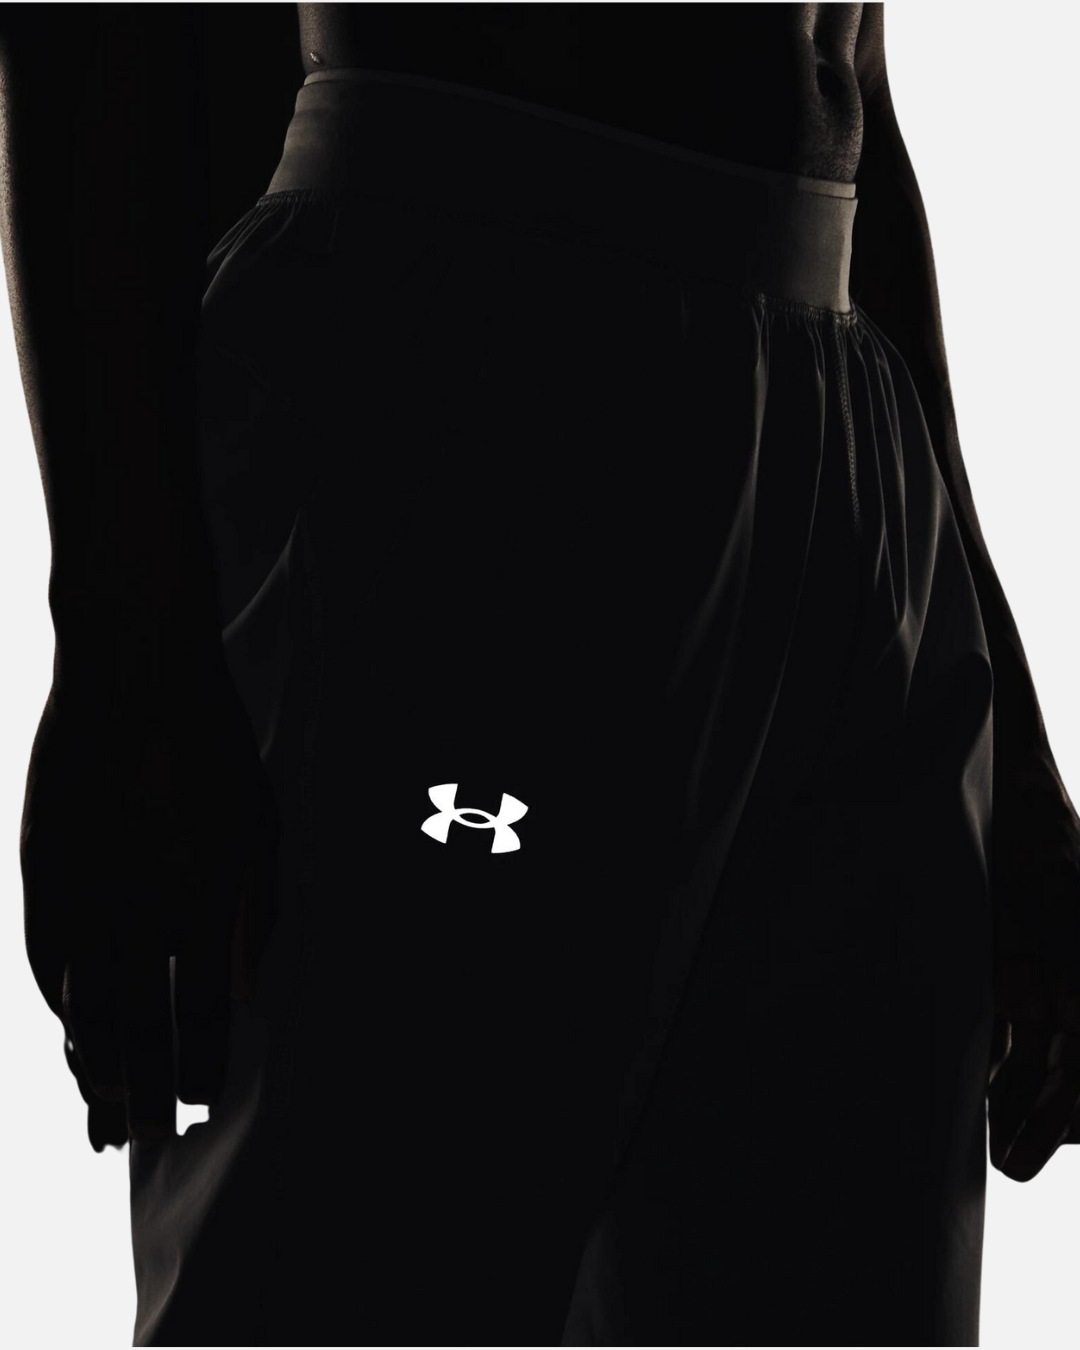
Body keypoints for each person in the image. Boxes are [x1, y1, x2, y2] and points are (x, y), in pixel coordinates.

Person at [2, 3, 1079, 1345]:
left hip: (845, 414)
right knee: (344, 1289)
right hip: (464, 357)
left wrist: (1017, 762)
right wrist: (121, 641)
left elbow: (848, 64)